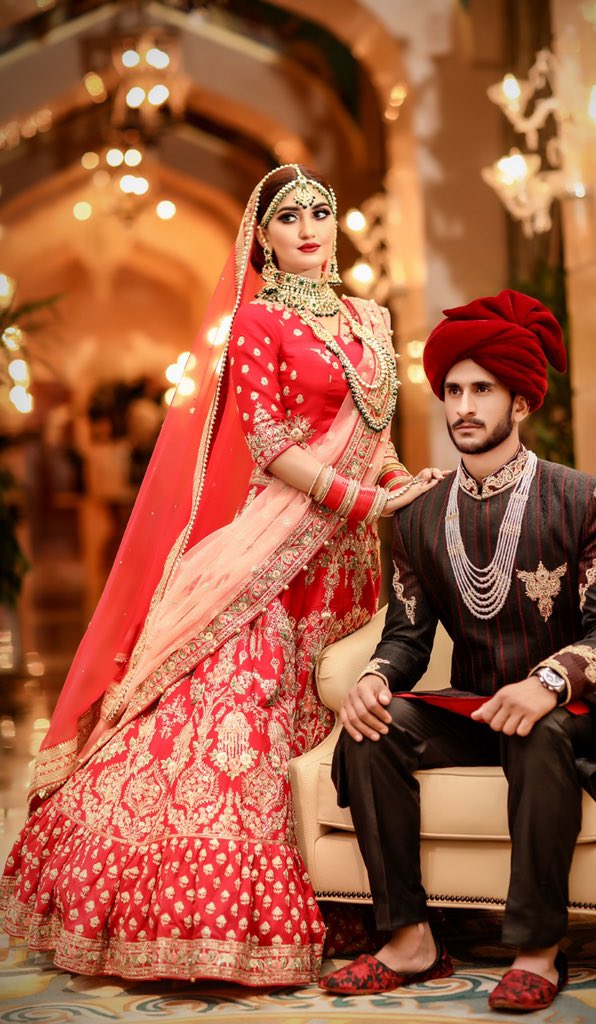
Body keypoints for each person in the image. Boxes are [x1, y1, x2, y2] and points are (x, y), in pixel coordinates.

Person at [0, 165, 442, 986]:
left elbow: (377, 436)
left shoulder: (371, 318)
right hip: (273, 551)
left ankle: (354, 897)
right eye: (288, 217)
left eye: (319, 211)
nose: (308, 227)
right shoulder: (258, 320)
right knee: (244, 718)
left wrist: (401, 485)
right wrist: (365, 501)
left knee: (333, 714)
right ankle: (215, 917)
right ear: (263, 239)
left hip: (347, 564)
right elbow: (271, 446)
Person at [320, 289, 596, 1012]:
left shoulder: (584, 498)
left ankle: (536, 951)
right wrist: (375, 677)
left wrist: (548, 682)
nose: (463, 407)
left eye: (482, 390)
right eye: (454, 391)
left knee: (536, 728)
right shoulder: (419, 517)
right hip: (473, 707)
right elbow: (407, 636)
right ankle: (408, 939)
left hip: (573, 710)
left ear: (519, 402)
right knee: (371, 730)